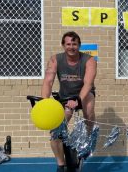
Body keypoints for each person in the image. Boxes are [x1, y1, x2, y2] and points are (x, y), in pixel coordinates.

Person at [41, 31, 97, 172]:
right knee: (56, 132)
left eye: (74, 44)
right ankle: (61, 165)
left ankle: (86, 141)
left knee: (89, 109)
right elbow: (48, 81)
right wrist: (44, 103)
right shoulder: (55, 60)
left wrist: (77, 100)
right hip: (65, 97)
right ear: (63, 45)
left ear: (79, 45)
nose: (71, 47)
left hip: (84, 95)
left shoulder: (89, 60)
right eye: (68, 44)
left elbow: (88, 84)